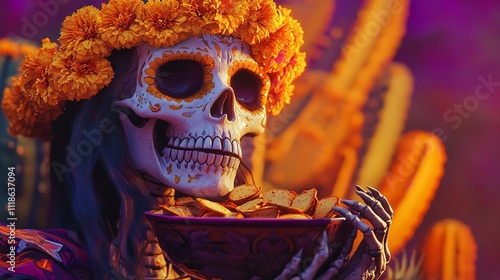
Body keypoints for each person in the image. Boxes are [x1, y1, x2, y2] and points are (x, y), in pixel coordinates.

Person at [0, 0, 391, 279]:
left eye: (246, 88)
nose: (226, 110)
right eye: (177, 78)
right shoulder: (31, 265)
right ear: (109, 108)